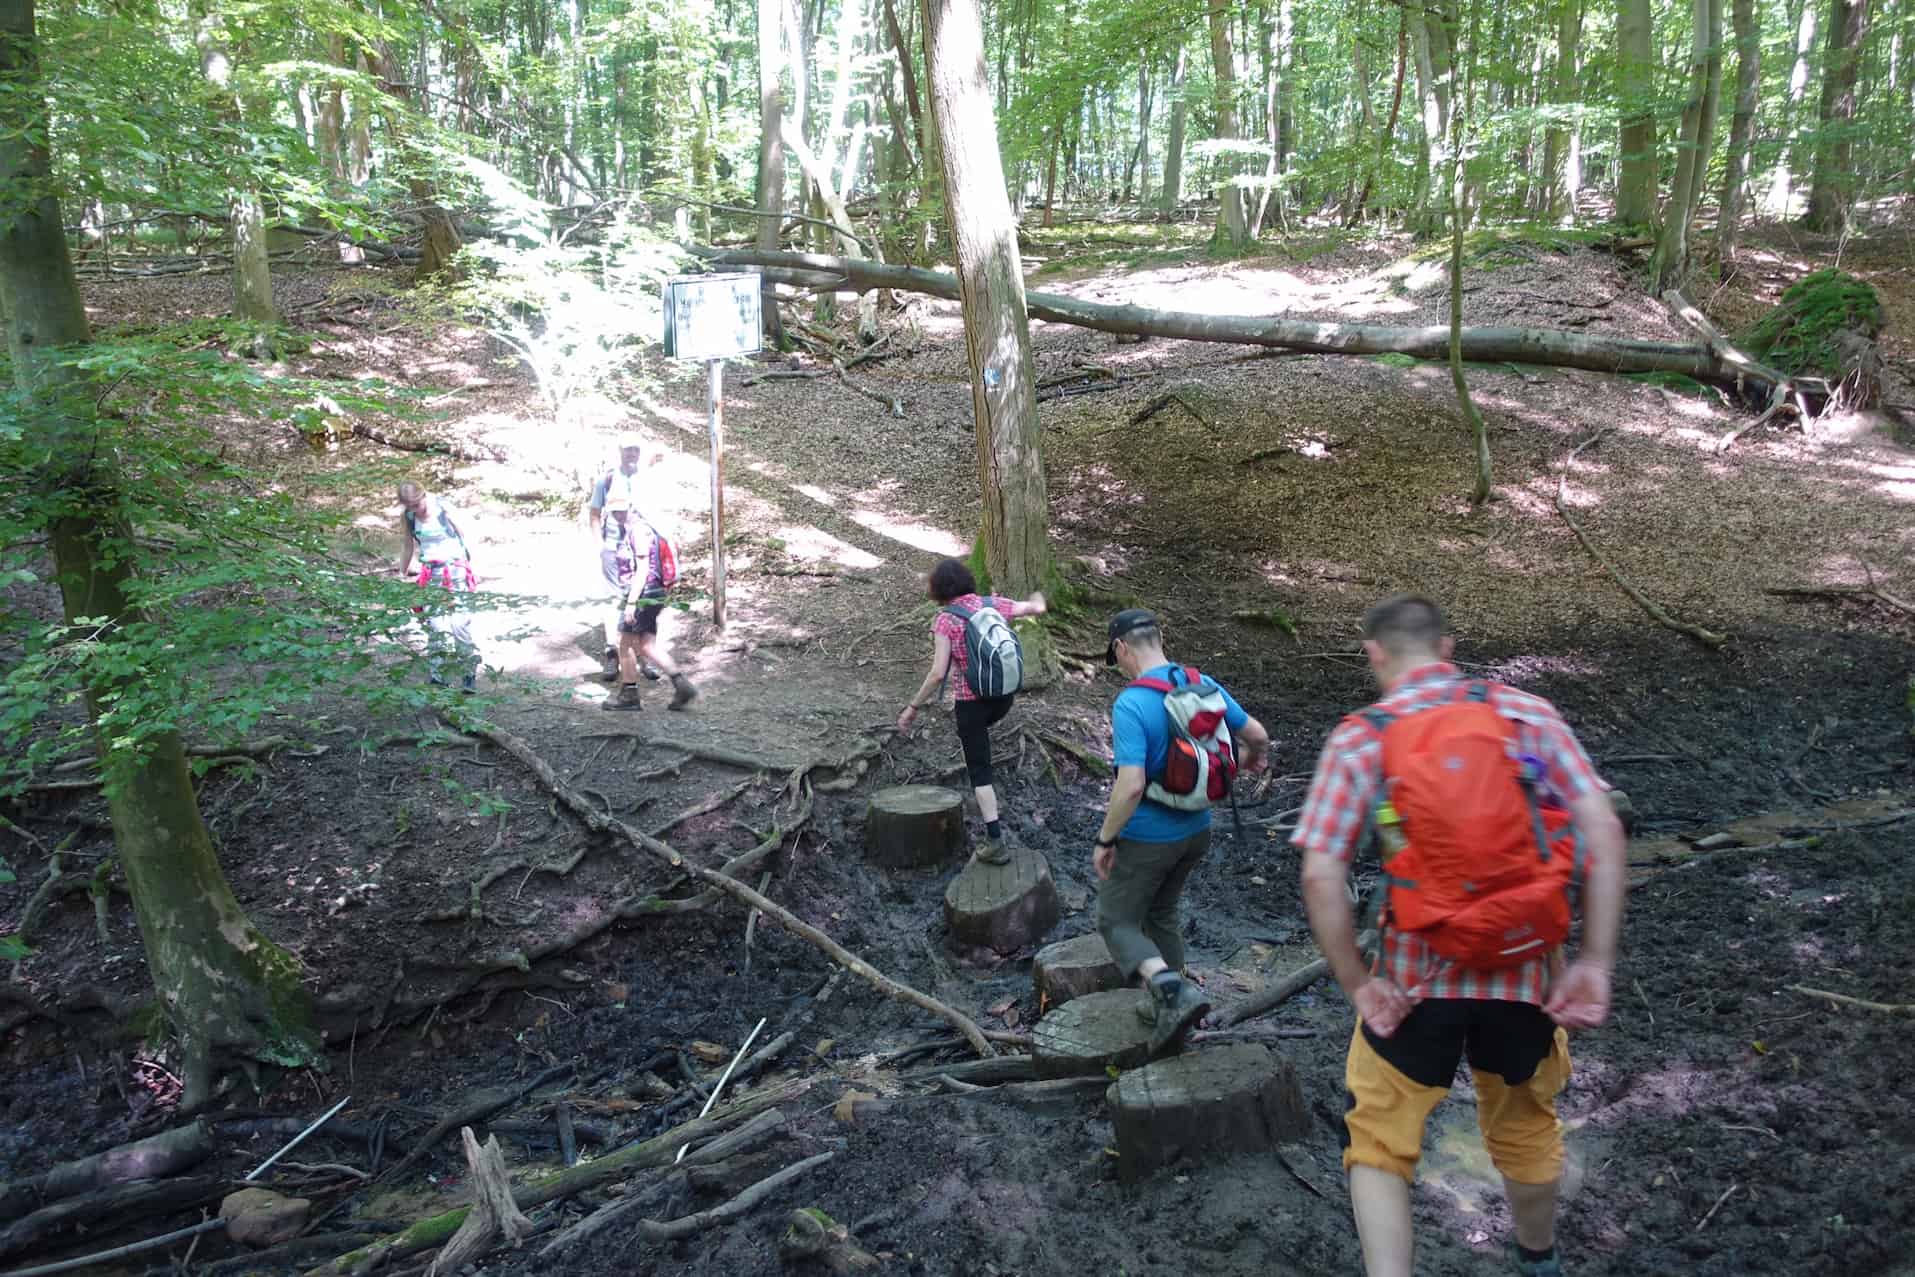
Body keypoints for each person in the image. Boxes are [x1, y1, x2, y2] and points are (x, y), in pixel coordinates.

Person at [1291, 595, 1625, 1277]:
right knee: (1526, 1125)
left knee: (1380, 1141)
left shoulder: (1362, 736)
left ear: (1374, 654)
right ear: (1447, 649)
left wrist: (1359, 982)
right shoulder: (1524, 713)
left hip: (1415, 980)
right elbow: (1601, 828)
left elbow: (1321, 874)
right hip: (1526, 972)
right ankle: (1538, 1259)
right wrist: (1593, 961)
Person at [1092, 608, 1269, 1056]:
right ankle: (1169, 1007)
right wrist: (1247, 762)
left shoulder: (1132, 702)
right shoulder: (1201, 682)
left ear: (1122, 649)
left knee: (1116, 920)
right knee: (1162, 914)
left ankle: (1172, 992)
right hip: (1198, 830)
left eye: (1119, 661)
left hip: (1150, 837)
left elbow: (1130, 785)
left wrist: (1106, 839)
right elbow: (1258, 736)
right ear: (1160, 637)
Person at [895, 558, 1046, 864]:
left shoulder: (945, 621)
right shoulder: (992, 603)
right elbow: (1035, 609)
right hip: (1004, 697)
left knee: (979, 770)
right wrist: (1041, 596)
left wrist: (912, 706)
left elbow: (938, 673)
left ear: (939, 589)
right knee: (979, 747)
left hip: (972, 704)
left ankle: (995, 842)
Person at [599, 490, 698, 712]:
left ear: (631, 507)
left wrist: (632, 602)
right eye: (614, 511)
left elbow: (642, 568)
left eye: (621, 510)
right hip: (652, 593)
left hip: (644, 594)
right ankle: (682, 686)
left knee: (624, 644)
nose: (618, 514)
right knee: (646, 645)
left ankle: (629, 696)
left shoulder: (639, 530)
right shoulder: (638, 528)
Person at [397, 481, 481, 693]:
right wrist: (402, 573)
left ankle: (469, 673)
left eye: (417, 504)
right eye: (410, 506)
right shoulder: (408, 517)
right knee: (436, 628)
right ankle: (438, 678)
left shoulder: (444, 508)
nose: (415, 509)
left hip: (456, 572)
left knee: (459, 626)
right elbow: (408, 545)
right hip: (431, 576)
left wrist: (476, 566)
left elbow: (467, 535)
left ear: (424, 495)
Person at [587, 434, 658, 683]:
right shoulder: (606, 479)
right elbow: (594, 513)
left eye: (635, 450)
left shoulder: (646, 478)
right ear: (620, 451)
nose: (632, 454)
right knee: (612, 599)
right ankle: (612, 654)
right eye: (628, 450)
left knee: (641, 598)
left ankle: (644, 656)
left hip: (640, 545)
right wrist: (601, 545)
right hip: (613, 546)